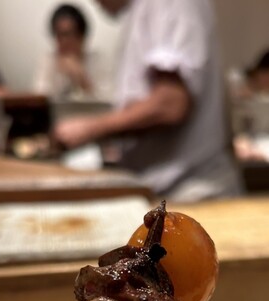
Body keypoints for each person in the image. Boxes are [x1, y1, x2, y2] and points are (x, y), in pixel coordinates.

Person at [55, 0, 241, 202]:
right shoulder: (142, 10)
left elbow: (170, 104)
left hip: (192, 191)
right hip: (172, 192)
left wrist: (91, 128)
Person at [34, 4, 109, 101]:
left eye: (68, 34)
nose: (63, 41)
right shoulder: (48, 61)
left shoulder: (98, 61)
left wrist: (82, 79)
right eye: (58, 35)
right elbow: (40, 99)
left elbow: (109, 101)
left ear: (81, 36)